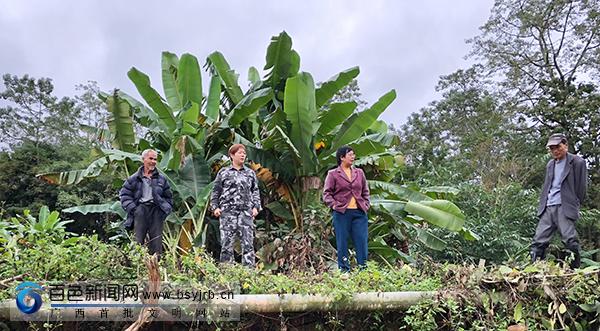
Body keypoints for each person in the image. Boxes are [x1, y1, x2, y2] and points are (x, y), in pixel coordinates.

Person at [531, 133, 587, 268]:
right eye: (552, 148)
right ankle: (536, 270)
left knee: (569, 239)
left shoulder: (577, 162)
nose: (555, 151)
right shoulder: (550, 164)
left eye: (558, 147)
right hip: (548, 205)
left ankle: (574, 270)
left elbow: (581, 187)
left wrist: (574, 203)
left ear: (565, 146)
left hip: (565, 206)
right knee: (538, 240)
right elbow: (547, 185)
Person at [210, 144, 261, 267]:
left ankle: (249, 273)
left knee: (247, 243)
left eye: (244, 153)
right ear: (232, 155)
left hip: (245, 212)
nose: (243, 155)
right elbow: (216, 191)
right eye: (239, 153)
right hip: (228, 212)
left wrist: (256, 207)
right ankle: (228, 271)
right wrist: (215, 207)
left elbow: (255, 191)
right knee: (227, 243)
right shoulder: (224, 172)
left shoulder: (250, 173)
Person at [323, 146, 370, 272]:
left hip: (359, 212)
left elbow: (365, 191)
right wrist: (334, 205)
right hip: (342, 213)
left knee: (361, 241)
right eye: (350, 155)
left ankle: (363, 269)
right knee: (342, 241)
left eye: (354, 154)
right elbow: (326, 194)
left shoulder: (359, 173)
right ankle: (344, 270)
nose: (353, 157)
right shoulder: (333, 174)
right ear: (342, 157)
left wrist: (366, 204)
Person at [120, 149, 173, 258]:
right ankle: (136, 267)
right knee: (138, 241)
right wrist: (134, 209)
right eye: (151, 158)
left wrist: (165, 210)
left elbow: (169, 197)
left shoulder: (162, 179)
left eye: (155, 159)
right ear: (143, 159)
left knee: (156, 243)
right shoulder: (133, 178)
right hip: (140, 210)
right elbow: (124, 195)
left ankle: (156, 269)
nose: (153, 161)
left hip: (156, 211)